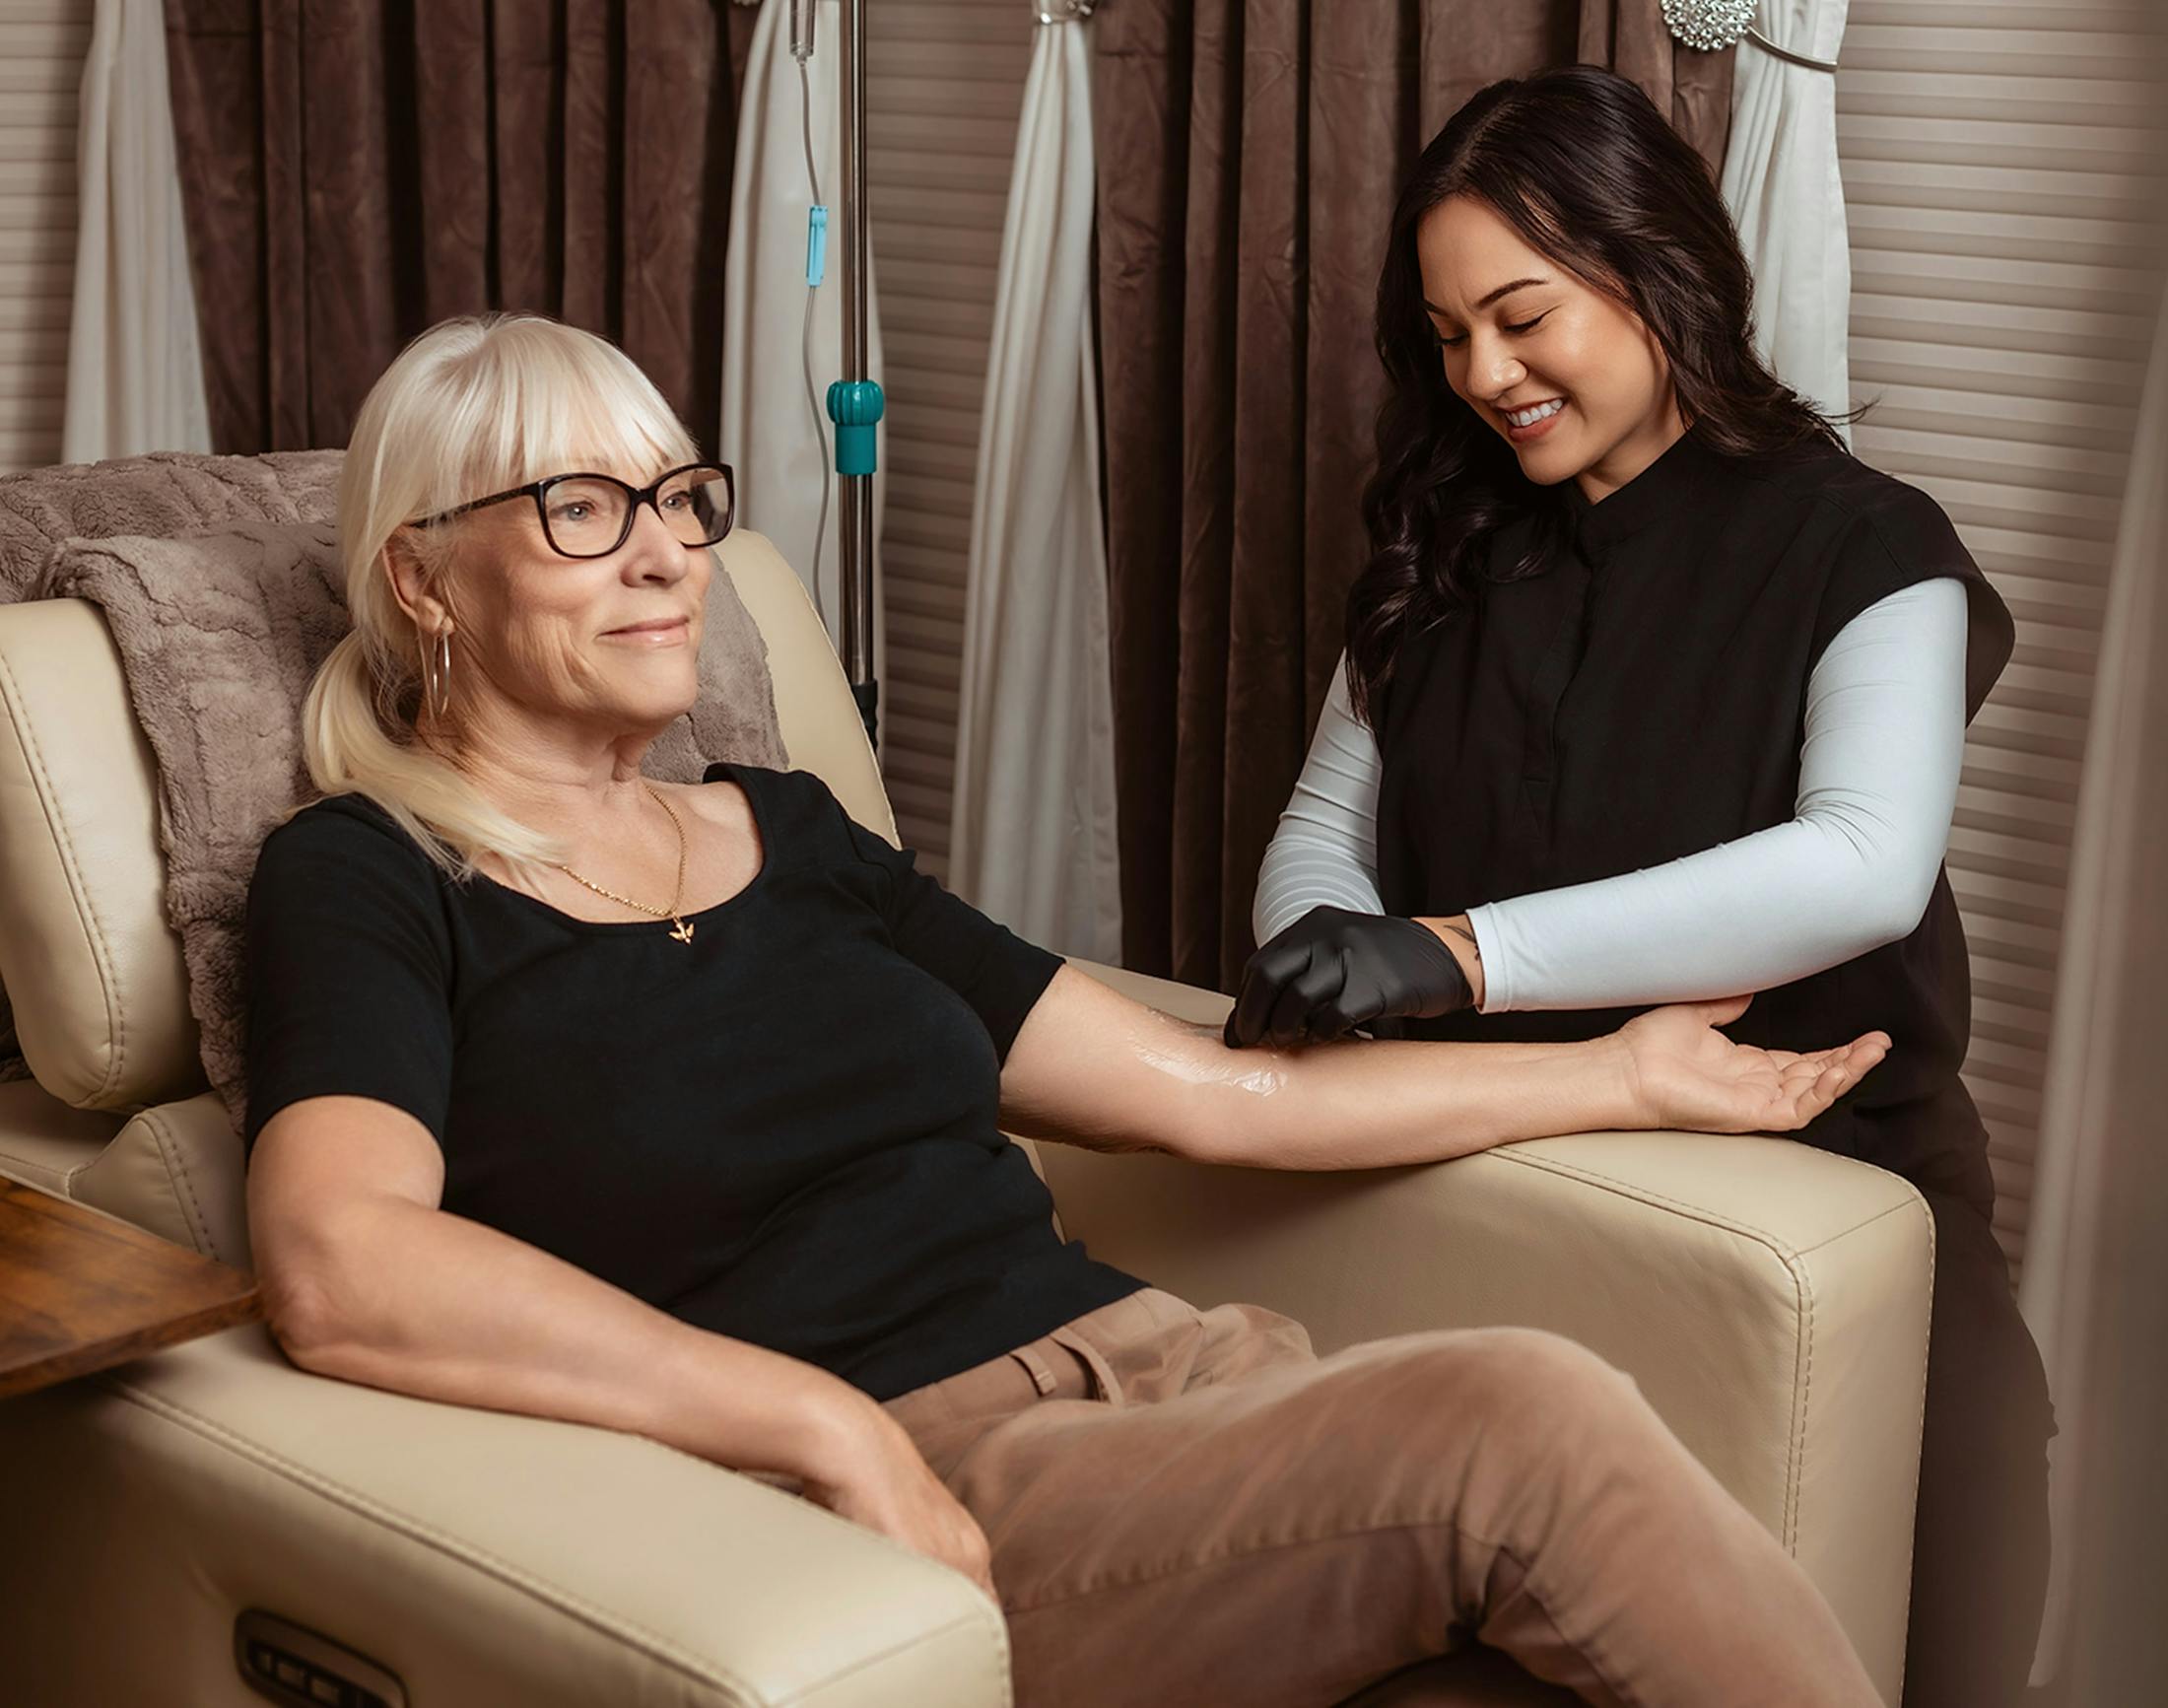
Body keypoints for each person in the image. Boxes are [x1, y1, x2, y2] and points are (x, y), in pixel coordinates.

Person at [244, 312, 1892, 1708]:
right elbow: (342, 1262)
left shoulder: (795, 829)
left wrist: (1617, 1075)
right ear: (425, 579)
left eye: (677, 495)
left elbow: (1210, 1093)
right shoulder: (373, 875)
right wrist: (821, 1424)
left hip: (1187, 1383)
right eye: (584, 509)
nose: (675, 551)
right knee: (1520, 1419)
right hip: (935, 1480)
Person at [1232, 66, 2052, 1708]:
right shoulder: (1443, 541)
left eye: (1523, 316)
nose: (1484, 374)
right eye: (1450, 334)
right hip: (1496, 1189)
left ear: (1655, 262)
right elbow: (1328, 815)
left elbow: (1862, 866)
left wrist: (1449, 957)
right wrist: (1322, 948)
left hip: (1830, 1202)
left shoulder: (1866, 546)